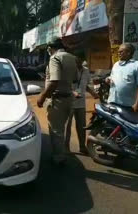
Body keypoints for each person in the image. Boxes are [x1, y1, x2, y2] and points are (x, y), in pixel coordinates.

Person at [37, 38, 78, 166]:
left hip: (57, 99)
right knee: (62, 129)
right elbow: (75, 79)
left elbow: (54, 81)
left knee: (56, 131)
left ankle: (58, 158)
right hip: (69, 98)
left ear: (50, 48)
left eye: (48, 49)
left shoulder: (55, 58)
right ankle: (62, 153)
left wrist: (42, 96)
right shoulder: (72, 58)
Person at [65, 57, 98, 154]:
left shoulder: (86, 71)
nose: (77, 62)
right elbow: (64, 85)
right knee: (67, 126)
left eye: (79, 60)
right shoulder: (69, 70)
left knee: (82, 126)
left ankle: (82, 146)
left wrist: (92, 93)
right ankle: (66, 147)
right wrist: (72, 92)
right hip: (69, 102)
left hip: (81, 103)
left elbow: (85, 85)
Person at [106, 43, 138, 112]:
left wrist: (137, 104)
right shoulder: (116, 65)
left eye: (121, 51)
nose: (118, 53)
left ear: (128, 53)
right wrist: (108, 79)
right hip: (112, 102)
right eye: (118, 52)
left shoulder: (136, 65)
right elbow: (112, 77)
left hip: (128, 106)